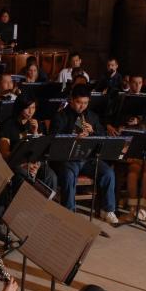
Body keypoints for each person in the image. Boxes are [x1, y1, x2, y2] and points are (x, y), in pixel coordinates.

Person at [50, 84, 119, 224]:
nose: (82, 106)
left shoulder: (92, 116)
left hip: (88, 158)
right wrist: (73, 137)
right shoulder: (60, 116)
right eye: (79, 102)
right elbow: (54, 139)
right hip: (68, 159)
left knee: (108, 173)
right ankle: (69, 213)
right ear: (71, 100)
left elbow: (103, 136)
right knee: (69, 176)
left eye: (86, 103)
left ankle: (107, 209)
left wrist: (93, 131)